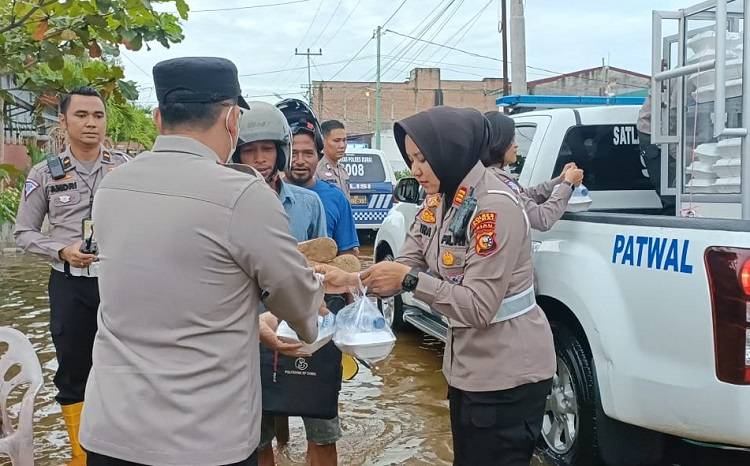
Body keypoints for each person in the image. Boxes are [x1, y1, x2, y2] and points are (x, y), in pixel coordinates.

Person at [79, 57, 332, 466]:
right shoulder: (243, 194)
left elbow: (167, 293)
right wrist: (303, 311)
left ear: (159, 118)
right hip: (205, 439)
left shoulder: (111, 187)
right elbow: (298, 305)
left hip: (111, 431)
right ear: (234, 120)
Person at [316, 106, 556, 466]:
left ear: (452, 150)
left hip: (507, 376)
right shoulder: (440, 200)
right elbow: (407, 260)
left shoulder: (493, 209)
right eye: (411, 159)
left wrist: (411, 282)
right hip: (467, 369)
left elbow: (478, 307)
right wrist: (351, 279)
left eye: (422, 159)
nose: (414, 170)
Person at [13, 86, 131, 466]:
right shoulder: (44, 174)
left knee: (128, 365)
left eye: (98, 115)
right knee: (73, 370)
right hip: (70, 286)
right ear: (63, 122)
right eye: (81, 115)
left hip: (120, 284)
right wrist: (61, 250)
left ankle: (126, 451)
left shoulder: (125, 167)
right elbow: (23, 233)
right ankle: (82, 456)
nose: (91, 123)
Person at [483, 111, 584, 231]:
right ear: (498, 142)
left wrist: (560, 180)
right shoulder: (495, 181)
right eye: (510, 140)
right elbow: (542, 219)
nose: (516, 145)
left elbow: (524, 194)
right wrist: (567, 184)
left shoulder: (493, 175)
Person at [637, 92, 676, 215]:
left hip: (656, 132)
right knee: (672, 200)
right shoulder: (680, 79)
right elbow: (673, 113)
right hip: (654, 135)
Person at [316, 119, 351, 201]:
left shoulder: (342, 170)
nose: (342, 145)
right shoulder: (317, 169)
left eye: (344, 140)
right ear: (323, 141)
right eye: (336, 141)